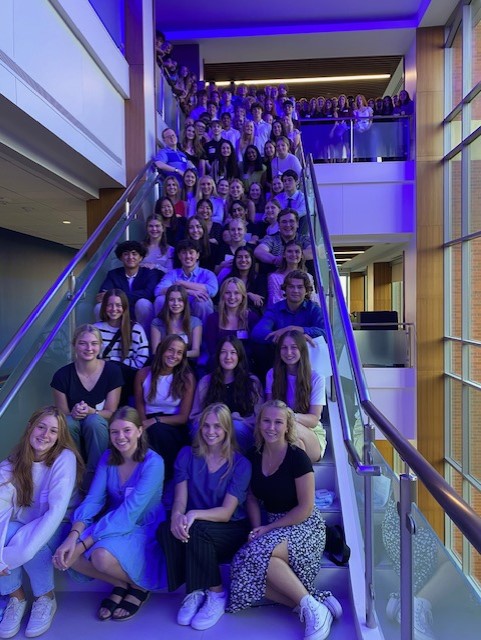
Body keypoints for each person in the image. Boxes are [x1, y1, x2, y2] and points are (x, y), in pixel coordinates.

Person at [227, 401, 341, 640]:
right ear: (259, 424)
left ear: (288, 426)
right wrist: (257, 528)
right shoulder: (254, 456)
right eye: (266, 421)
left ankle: (313, 610)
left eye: (278, 422)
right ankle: (313, 602)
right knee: (240, 565)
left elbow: (306, 507)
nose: (271, 427)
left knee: (259, 556)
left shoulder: (297, 457)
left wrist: (268, 528)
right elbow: (251, 497)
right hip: (276, 527)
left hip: (304, 526)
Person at [53, 407, 165, 622]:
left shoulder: (154, 463)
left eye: (127, 430)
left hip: (142, 525)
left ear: (140, 431)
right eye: (114, 432)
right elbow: (94, 499)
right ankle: (120, 584)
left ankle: (139, 587)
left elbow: (130, 512)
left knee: (100, 556)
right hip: (112, 522)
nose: (120, 437)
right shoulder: (108, 457)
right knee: (66, 551)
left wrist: (83, 544)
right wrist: (74, 535)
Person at [157, 404, 251, 630]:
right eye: (206, 426)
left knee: (197, 530)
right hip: (197, 525)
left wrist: (193, 514)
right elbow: (180, 499)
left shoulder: (241, 464)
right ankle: (195, 590)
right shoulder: (186, 455)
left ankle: (217, 593)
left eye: (217, 426)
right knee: (166, 530)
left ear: (227, 429)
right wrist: (177, 516)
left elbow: (226, 512)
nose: (210, 432)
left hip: (230, 527)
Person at [0, 407, 83, 639]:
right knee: (7, 533)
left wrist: (7, 559)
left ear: (59, 436)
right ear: (30, 427)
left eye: (53, 431)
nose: (46, 435)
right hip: (27, 525)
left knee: (32, 544)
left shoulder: (64, 458)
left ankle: (45, 598)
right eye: (41, 427)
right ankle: (16, 597)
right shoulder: (15, 461)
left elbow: (55, 514)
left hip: (60, 527)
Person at [51, 324, 123, 486]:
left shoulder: (112, 371)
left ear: (100, 345)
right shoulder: (62, 375)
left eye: (94, 343)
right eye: (83, 343)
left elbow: (112, 412)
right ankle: (73, 473)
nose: (89, 348)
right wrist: (73, 413)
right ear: (74, 345)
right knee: (68, 423)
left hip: (100, 423)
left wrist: (92, 411)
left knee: (93, 422)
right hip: (73, 423)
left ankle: (95, 478)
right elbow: (62, 415)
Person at [134, 335, 195, 479]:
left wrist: (156, 420)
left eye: (179, 353)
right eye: (170, 350)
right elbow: (140, 406)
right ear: (161, 350)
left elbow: (183, 417)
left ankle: (163, 478)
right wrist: (143, 425)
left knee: (158, 432)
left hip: (173, 424)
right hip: (147, 422)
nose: (174, 356)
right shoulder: (143, 374)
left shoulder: (187, 378)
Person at [190, 338, 263, 451]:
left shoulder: (252, 382)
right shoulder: (206, 382)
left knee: (236, 427)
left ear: (239, 356)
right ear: (218, 355)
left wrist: (236, 421)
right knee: (197, 428)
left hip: (241, 431)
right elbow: (195, 416)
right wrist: (217, 422)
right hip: (212, 429)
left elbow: (258, 417)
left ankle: (239, 461)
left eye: (233, 352)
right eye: (223, 352)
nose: (228, 357)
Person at [266, 330, 326, 462]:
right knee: (296, 444)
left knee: (292, 430)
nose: (288, 352)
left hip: (311, 433)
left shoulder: (317, 378)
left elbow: (314, 419)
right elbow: (269, 409)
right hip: (280, 432)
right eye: (284, 348)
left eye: (294, 347)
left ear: (302, 350)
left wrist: (288, 416)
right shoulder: (272, 374)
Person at [94, 289, 149, 403]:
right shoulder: (96, 329)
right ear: (104, 307)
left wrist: (114, 362)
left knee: (117, 370)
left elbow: (141, 360)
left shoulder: (136, 329)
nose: (114, 309)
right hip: (101, 376)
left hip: (127, 378)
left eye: (118, 305)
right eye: (110, 305)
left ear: (124, 307)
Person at [96, 240, 158, 335]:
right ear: (120, 257)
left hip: (140, 311)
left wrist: (121, 297)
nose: (130, 257)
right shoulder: (113, 274)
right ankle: (105, 338)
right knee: (99, 307)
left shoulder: (149, 273)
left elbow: (148, 293)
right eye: (126, 254)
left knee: (143, 303)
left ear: (141, 257)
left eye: (134, 254)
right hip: (118, 309)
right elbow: (103, 294)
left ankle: (144, 337)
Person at [154, 239, 219, 322]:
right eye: (184, 253)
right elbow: (158, 290)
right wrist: (189, 292)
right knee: (160, 300)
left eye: (191, 252)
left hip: (197, 309)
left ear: (197, 255)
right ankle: (164, 329)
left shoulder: (207, 274)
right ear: (179, 256)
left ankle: (203, 330)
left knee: (202, 302)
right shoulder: (172, 274)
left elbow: (212, 291)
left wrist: (181, 283)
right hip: (176, 308)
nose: (188, 256)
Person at [204, 278, 259, 366]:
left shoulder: (252, 318)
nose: (232, 297)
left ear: (243, 296)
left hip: (245, 364)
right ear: (222, 295)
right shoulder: (213, 319)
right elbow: (212, 349)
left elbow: (254, 348)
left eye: (236, 293)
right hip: (219, 364)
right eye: (227, 293)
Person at [151, 284, 202, 360]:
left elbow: (196, 352)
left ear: (185, 302)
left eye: (180, 300)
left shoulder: (195, 322)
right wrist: (172, 355)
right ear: (167, 302)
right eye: (172, 300)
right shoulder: (157, 323)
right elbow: (155, 351)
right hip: (163, 361)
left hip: (186, 361)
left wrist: (177, 355)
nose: (176, 303)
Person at [254, 209, 312, 274]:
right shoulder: (271, 239)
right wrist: (276, 260)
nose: (288, 225)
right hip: (276, 275)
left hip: (299, 276)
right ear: (278, 225)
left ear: (297, 224)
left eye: (291, 221)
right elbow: (258, 251)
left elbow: (313, 251)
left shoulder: (303, 239)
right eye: (284, 222)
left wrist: (290, 257)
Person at [267, 240, 317, 306]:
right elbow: (275, 301)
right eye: (290, 251)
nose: (293, 254)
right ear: (284, 255)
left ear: (301, 255)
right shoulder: (274, 278)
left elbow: (313, 299)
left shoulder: (309, 277)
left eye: (297, 252)